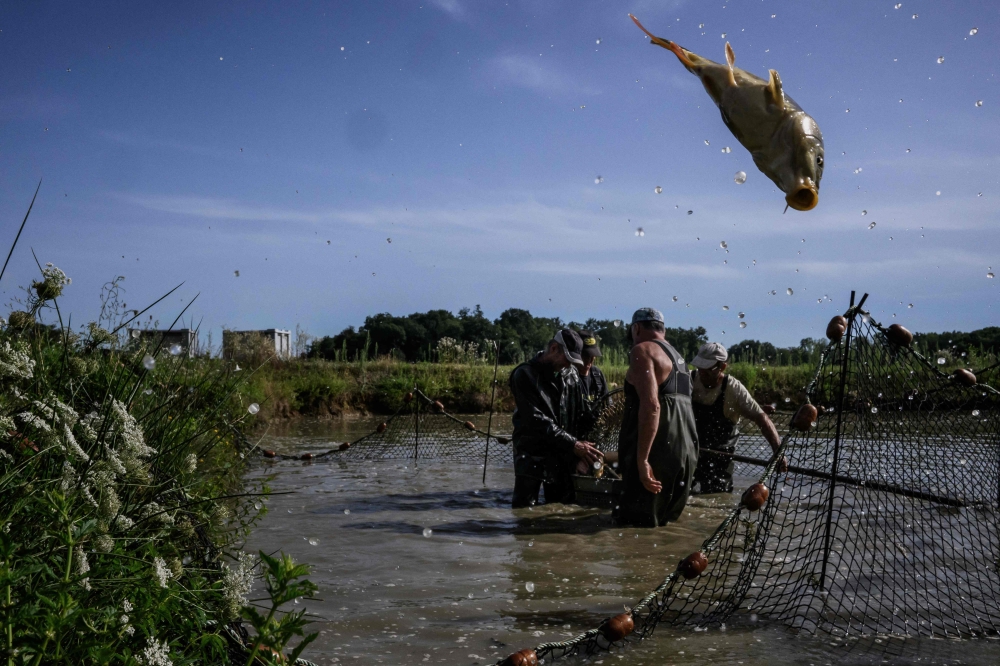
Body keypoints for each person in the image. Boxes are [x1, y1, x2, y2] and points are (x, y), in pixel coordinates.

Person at [613, 308, 699, 527]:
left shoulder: (643, 350)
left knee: (634, 530)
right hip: (687, 454)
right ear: (663, 329)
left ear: (636, 328)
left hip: (657, 453)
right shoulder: (680, 360)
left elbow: (652, 406)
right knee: (662, 526)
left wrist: (642, 460)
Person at [509, 329, 604, 508]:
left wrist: (579, 456)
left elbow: (579, 416)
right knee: (524, 509)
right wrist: (574, 445)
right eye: (567, 360)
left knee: (562, 508)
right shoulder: (524, 375)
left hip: (562, 455)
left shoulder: (571, 374)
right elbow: (536, 420)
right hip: (531, 455)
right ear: (553, 349)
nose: (569, 365)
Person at [689, 342, 787, 494]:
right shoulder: (689, 380)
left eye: (708, 369)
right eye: (700, 367)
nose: (702, 372)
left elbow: (761, 419)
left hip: (721, 456)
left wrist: (778, 452)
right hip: (691, 450)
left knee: (716, 499)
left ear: (722, 367)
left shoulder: (734, 389)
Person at [577, 331, 609, 406]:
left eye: (592, 355)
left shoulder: (597, 374)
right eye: (585, 356)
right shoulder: (568, 377)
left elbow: (608, 404)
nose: (589, 360)